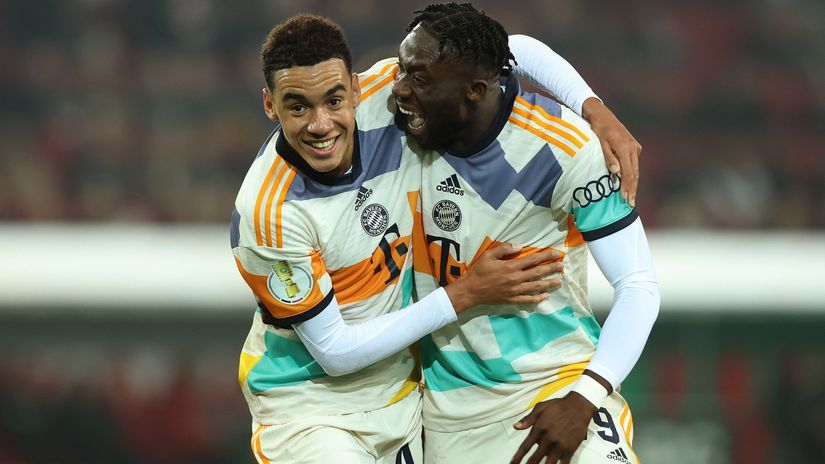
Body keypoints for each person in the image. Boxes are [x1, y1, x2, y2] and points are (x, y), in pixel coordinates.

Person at [231, 11, 644, 464]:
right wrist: (467, 292)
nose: (320, 123)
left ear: (352, 87)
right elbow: (335, 352)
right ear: (271, 106)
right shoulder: (268, 212)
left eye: (333, 101)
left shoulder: (385, 96)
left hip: (415, 400)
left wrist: (593, 107)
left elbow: (512, 50)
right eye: (297, 107)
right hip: (312, 404)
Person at [388, 3, 661, 464]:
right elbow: (518, 48)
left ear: (475, 91)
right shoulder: (400, 122)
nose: (398, 90)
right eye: (401, 71)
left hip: (555, 388)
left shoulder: (568, 150)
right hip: (450, 412)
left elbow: (639, 286)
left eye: (419, 81)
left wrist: (585, 397)